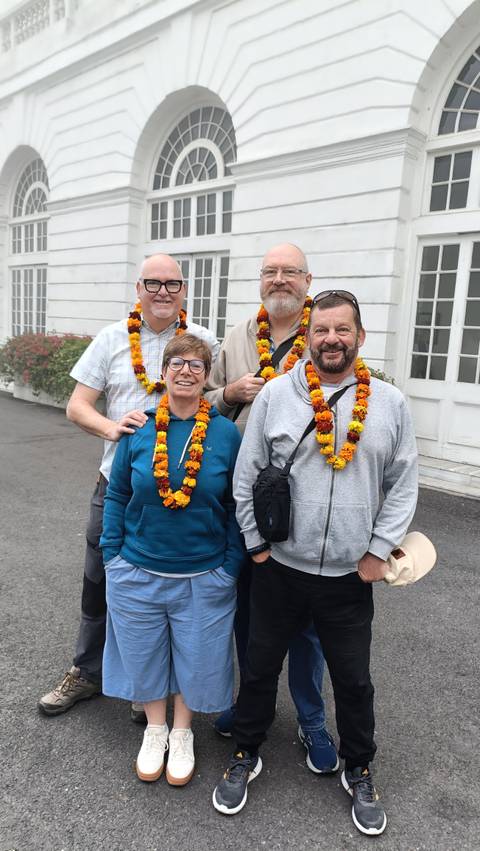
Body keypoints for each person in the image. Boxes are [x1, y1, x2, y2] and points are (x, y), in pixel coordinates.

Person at [212, 291, 418, 836]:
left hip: (350, 576)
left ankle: (360, 767)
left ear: (360, 337)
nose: (331, 339)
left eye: (342, 330)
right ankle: (245, 752)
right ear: (308, 338)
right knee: (259, 670)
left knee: (353, 681)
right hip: (279, 567)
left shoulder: (390, 405)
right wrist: (256, 544)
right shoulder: (279, 395)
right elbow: (247, 474)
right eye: (322, 330)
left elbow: (402, 485)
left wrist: (378, 552)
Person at [38, 255, 219, 719]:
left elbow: (212, 401)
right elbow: (78, 406)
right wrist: (112, 428)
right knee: (100, 577)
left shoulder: (200, 341)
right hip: (119, 482)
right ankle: (86, 671)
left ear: (184, 290)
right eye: (153, 283)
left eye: (172, 283)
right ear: (138, 287)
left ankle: (151, 687)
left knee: (170, 588)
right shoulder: (112, 338)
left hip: (188, 484)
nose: (163, 291)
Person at [206, 243, 337, 774]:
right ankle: (247, 702)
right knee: (248, 612)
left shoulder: (327, 336)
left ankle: (311, 719)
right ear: (260, 281)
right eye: (270, 272)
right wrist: (230, 391)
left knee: (308, 622)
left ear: (308, 280)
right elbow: (203, 396)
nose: (279, 280)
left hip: (308, 502)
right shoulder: (237, 338)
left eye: (290, 272)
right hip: (241, 498)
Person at [100, 334, 244, 785]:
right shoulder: (139, 427)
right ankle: (155, 728)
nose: (186, 371)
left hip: (204, 572)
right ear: (163, 372)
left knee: (196, 656)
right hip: (136, 568)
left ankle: (182, 733)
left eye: (197, 366)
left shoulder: (224, 432)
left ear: (207, 377)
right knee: (144, 654)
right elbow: (119, 493)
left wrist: (229, 567)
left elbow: (238, 504)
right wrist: (112, 555)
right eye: (177, 363)